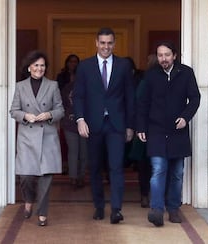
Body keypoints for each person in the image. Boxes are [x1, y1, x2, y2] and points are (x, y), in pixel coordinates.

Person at [72, 27, 135, 224]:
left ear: (114, 44)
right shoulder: (85, 66)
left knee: (116, 167)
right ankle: (99, 206)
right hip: (93, 124)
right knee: (96, 167)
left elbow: (130, 97)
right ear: (96, 43)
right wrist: (80, 119)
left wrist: (130, 125)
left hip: (116, 125)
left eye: (109, 43)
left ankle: (116, 209)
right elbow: (79, 96)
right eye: (102, 43)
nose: (106, 46)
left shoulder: (124, 65)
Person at [136, 41, 201, 227]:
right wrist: (141, 127)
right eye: (160, 55)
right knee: (158, 170)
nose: (163, 59)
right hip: (156, 130)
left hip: (177, 130)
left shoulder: (186, 73)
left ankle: (173, 208)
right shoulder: (151, 75)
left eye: (166, 55)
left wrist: (185, 117)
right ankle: (157, 209)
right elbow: (143, 103)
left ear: (174, 55)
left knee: (177, 173)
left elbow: (195, 98)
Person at [10, 50, 65, 226]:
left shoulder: (53, 85)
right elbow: (13, 110)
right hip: (27, 136)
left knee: (45, 177)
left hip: (47, 136)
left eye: (42, 65)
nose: (39, 68)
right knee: (25, 175)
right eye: (36, 65)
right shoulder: (20, 86)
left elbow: (60, 110)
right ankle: (28, 200)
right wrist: (25, 116)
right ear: (29, 67)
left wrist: (49, 114)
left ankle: (42, 213)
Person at [128, 53, 158, 208]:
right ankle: (150, 196)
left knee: (146, 166)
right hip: (147, 130)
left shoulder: (143, 81)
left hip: (145, 129)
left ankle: (145, 196)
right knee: (153, 166)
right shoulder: (145, 82)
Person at [58, 54, 88, 189]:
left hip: (85, 124)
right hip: (70, 123)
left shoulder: (89, 88)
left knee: (81, 151)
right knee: (76, 151)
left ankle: (78, 177)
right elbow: (61, 105)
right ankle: (75, 178)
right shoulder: (65, 88)